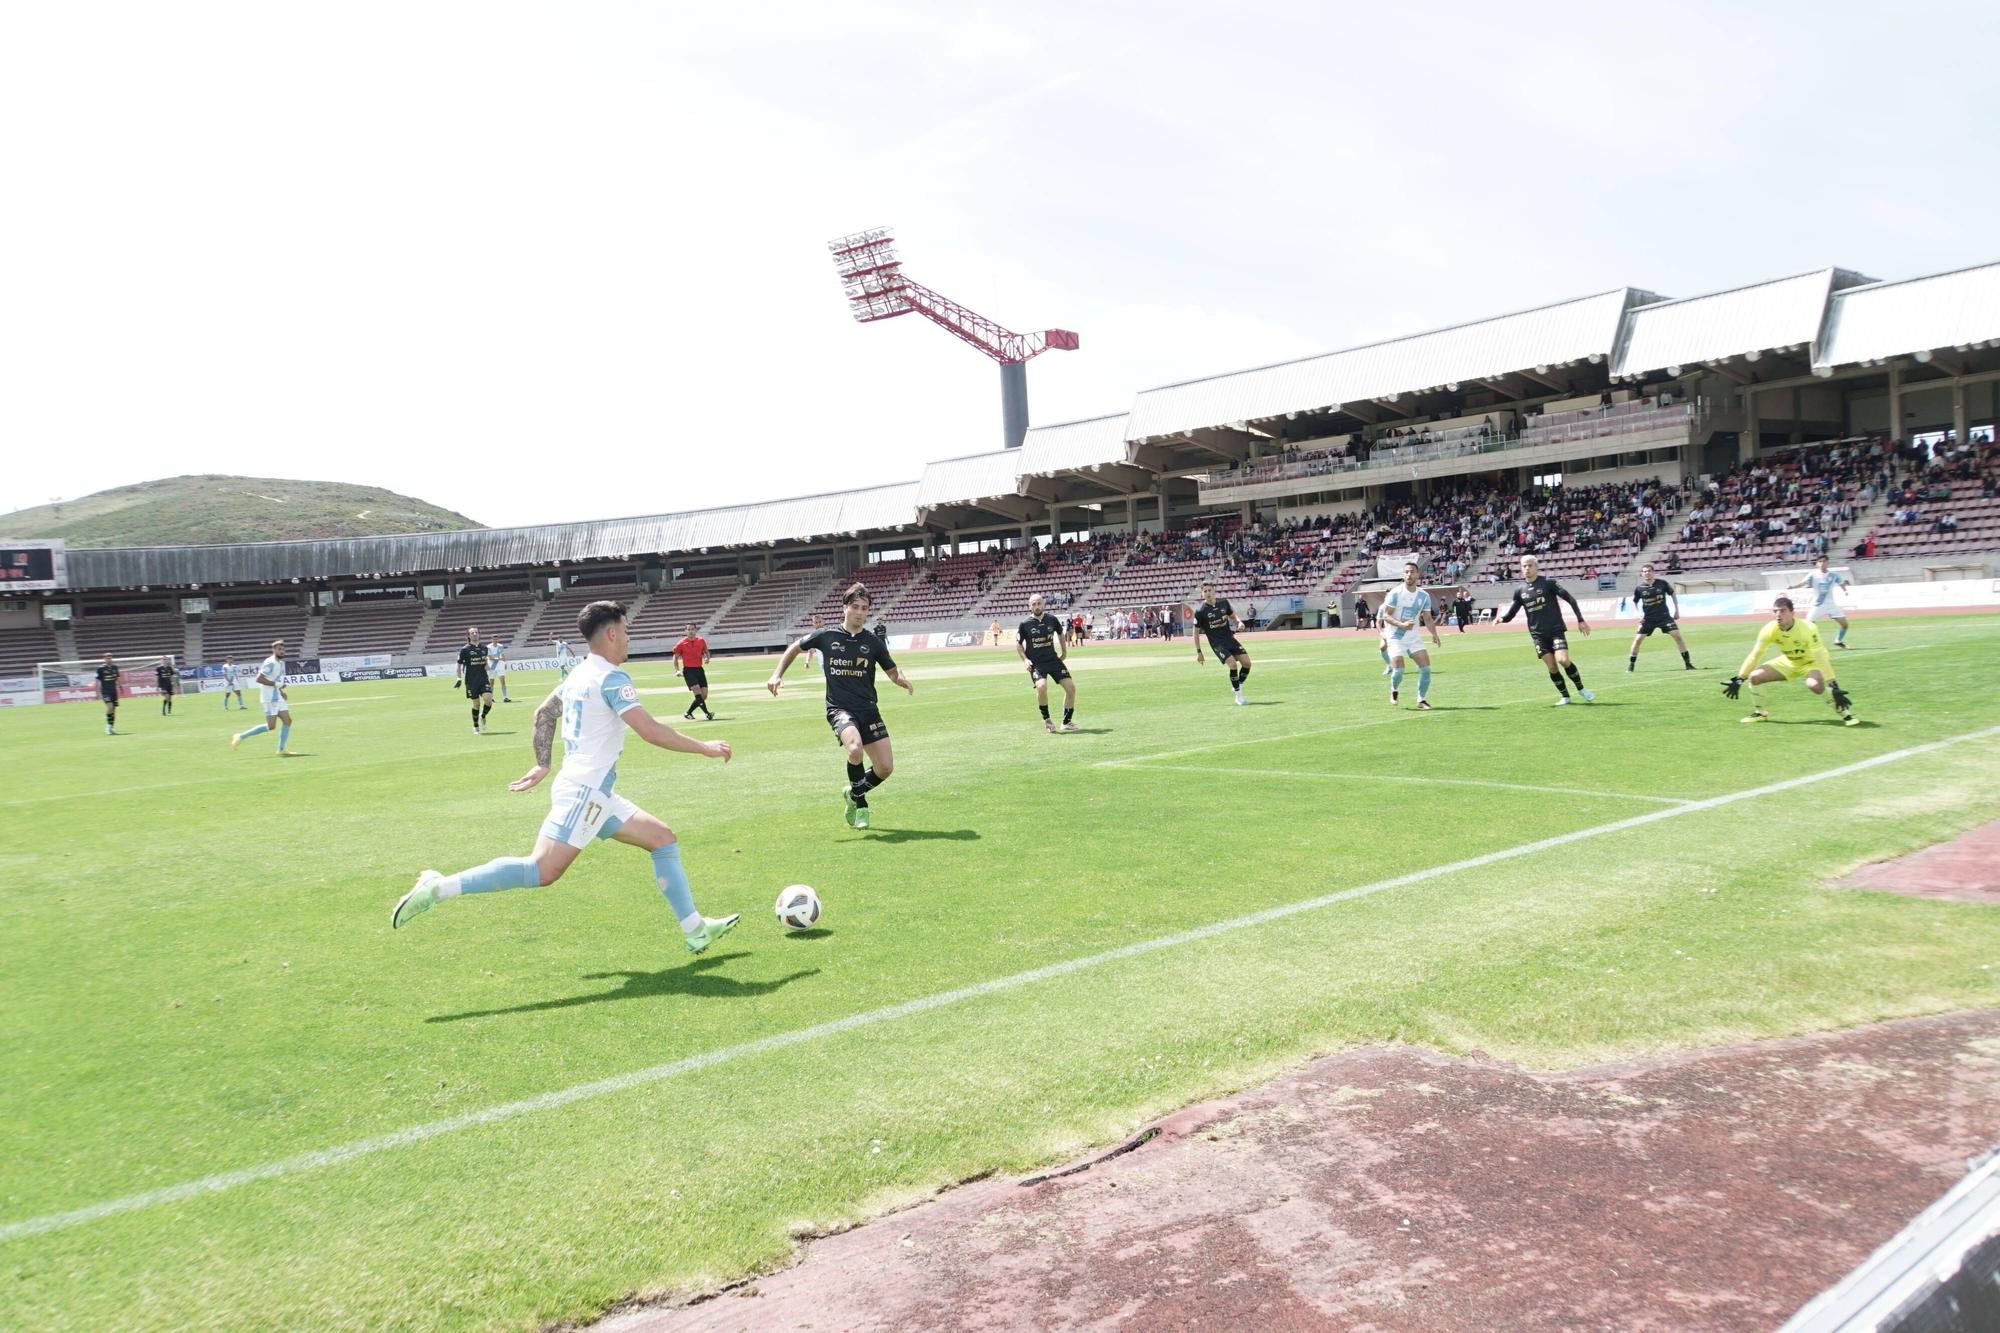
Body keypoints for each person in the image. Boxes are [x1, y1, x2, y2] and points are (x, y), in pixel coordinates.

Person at [391, 600, 741, 952]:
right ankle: (438, 887)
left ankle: (695, 929)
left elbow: (544, 712)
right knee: (541, 871)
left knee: (662, 838)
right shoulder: (610, 677)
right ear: (612, 633)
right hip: (586, 793)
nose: (629, 639)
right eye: (627, 631)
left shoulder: (579, 672)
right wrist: (705, 747)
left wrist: (543, 763)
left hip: (593, 791)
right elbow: (650, 731)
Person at [768, 583, 914, 829]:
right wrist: (776, 674)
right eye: (855, 607)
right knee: (855, 749)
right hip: (839, 709)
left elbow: (891, 671)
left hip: (868, 709)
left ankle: (852, 792)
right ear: (844, 608)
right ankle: (861, 806)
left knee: (885, 768)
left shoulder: (874, 642)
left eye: (864, 608)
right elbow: (795, 647)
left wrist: (901, 680)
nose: (859, 612)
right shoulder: (826, 636)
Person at [1723, 596, 1857, 726]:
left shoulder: (1808, 628)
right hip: (1789, 661)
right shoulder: (1769, 629)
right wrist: (1740, 678)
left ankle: (1846, 714)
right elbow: (1755, 654)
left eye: (1782, 611)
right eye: (1775, 611)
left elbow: (1820, 656)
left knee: (1815, 686)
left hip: (1811, 662)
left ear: (1793, 612)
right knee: (1755, 677)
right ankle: (1760, 713)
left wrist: (1833, 684)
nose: (1778, 615)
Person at [1499, 555, 1594, 706]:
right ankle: (1565, 697)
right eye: (1524, 566)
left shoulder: (1548, 583)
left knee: (1563, 660)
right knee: (1552, 666)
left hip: (1555, 630)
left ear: (1536, 567)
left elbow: (1570, 599)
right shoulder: (1520, 590)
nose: (1527, 569)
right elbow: (1512, 613)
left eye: (1530, 565)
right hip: (1538, 635)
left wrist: (1580, 620)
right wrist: (1502, 619)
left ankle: (1581, 689)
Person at [1378, 562, 1440, 709]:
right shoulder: (1395, 594)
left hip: (1413, 638)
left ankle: (1421, 699)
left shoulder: (1424, 596)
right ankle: (1394, 690)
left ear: (1418, 574)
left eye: (1412, 572)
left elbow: (1428, 618)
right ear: (1402, 575)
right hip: (1395, 637)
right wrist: (1402, 625)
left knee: (1426, 669)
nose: (1409, 575)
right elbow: (1386, 616)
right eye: (1406, 572)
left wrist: (1434, 634)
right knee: (1399, 670)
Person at [1017, 592, 1078, 732]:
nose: (1037, 606)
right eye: (1034, 604)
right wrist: (1025, 660)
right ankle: (1047, 721)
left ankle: (1066, 722)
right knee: (1041, 687)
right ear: (1029, 606)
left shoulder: (1052, 619)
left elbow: (1061, 633)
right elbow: (1018, 644)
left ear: (1043, 604)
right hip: (1036, 664)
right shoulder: (1025, 624)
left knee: (1071, 688)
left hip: (1053, 660)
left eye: (1039, 603)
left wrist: (1064, 651)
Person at [1626, 563, 1695, 672]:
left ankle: (1688, 663)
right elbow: (1633, 602)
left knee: (1677, 636)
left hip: (1664, 617)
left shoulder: (1662, 583)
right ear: (1642, 574)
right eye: (1644, 571)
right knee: (1638, 640)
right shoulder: (1639, 588)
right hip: (1648, 619)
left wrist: (1676, 610)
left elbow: (1672, 594)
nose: (1647, 573)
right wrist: (1637, 614)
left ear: (1653, 572)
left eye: (1649, 571)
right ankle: (1631, 666)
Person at [1191, 581, 1252, 705]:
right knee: (1233, 665)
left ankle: (1237, 684)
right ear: (1202, 593)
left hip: (1230, 639)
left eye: (1209, 590)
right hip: (1217, 644)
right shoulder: (1200, 611)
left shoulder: (1224, 603)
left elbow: (1233, 616)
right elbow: (1195, 633)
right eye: (1205, 591)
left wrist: (1239, 622)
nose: (1208, 593)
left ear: (1214, 591)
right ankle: (1238, 696)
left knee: (1247, 663)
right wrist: (1199, 652)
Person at [230, 639, 294, 754]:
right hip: (269, 698)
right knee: (271, 726)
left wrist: (280, 691)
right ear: (273, 650)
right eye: (279, 649)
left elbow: (273, 679)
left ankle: (281, 749)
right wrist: (277, 685)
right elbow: (259, 679)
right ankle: (240, 736)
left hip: (277, 696)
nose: (282, 651)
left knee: (287, 721)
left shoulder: (279, 663)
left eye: (283, 649)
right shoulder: (270, 662)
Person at [1790, 554, 1852, 648]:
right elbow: (1803, 583)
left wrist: (1845, 590)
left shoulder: (1834, 575)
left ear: (1828, 563)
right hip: (1818, 605)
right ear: (1817, 564)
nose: (1822, 563)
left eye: (1824, 561)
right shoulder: (1813, 575)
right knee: (1807, 625)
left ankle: (1838, 641)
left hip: (1831, 605)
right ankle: (1802, 643)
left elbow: (1841, 583)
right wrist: (1793, 587)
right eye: (1820, 561)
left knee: (1845, 625)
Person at [455, 627, 495, 734]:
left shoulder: (484, 648)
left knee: (488, 699)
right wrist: (458, 678)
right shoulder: (465, 649)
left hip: (483, 679)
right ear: (468, 636)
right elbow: (458, 664)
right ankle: (476, 726)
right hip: (471, 681)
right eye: (472, 633)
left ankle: (483, 716)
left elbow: (484, 663)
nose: (474, 634)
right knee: (476, 704)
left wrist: (490, 670)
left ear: (479, 634)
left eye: (476, 632)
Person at [671, 623, 714, 721]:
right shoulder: (681, 643)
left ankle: (688, 713)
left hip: (699, 670)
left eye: (692, 629)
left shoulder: (701, 640)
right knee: (698, 693)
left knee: (704, 695)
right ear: (685, 631)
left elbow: (706, 651)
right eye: (688, 629)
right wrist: (677, 670)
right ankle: (707, 714)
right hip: (688, 671)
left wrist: (707, 658)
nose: (690, 631)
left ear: (696, 630)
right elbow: (675, 657)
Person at [95, 653, 120, 735]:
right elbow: (97, 680)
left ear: (112, 658)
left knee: (113, 710)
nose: (109, 659)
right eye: (107, 658)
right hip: (105, 691)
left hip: (113, 691)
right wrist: (97, 691)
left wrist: (120, 686)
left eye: (110, 658)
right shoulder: (100, 668)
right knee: (110, 707)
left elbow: (117, 678)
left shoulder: (115, 667)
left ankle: (111, 727)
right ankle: (107, 725)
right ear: (104, 659)